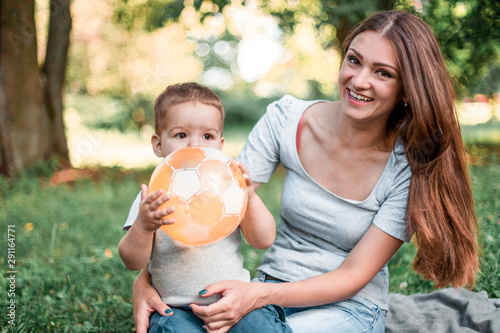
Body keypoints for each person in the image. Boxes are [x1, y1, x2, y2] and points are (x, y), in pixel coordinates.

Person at [131, 10, 480, 333]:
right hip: (267, 285)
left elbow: (354, 275)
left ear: (407, 89)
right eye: (354, 61)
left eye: (382, 73)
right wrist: (145, 281)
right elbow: (210, 200)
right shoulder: (286, 119)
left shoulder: (408, 166)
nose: (359, 80)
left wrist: (257, 297)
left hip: (349, 306)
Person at [118, 82, 292, 333]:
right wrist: (144, 226)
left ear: (220, 144)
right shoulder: (153, 197)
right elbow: (132, 261)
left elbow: (263, 239)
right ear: (158, 144)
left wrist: (250, 198)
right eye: (181, 135)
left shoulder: (229, 188)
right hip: (176, 309)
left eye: (207, 136)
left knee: (263, 328)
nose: (195, 145)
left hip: (235, 303)